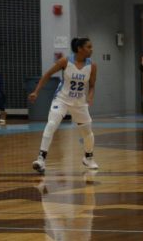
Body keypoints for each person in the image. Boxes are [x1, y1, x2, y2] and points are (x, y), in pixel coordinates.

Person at [28, 37, 98, 173]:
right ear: (80, 49)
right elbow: (47, 74)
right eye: (89, 47)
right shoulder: (65, 61)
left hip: (79, 103)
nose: (91, 49)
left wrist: (90, 96)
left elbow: (92, 85)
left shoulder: (92, 65)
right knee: (52, 124)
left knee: (87, 133)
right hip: (62, 99)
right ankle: (41, 159)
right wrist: (36, 92)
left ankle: (88, 158)